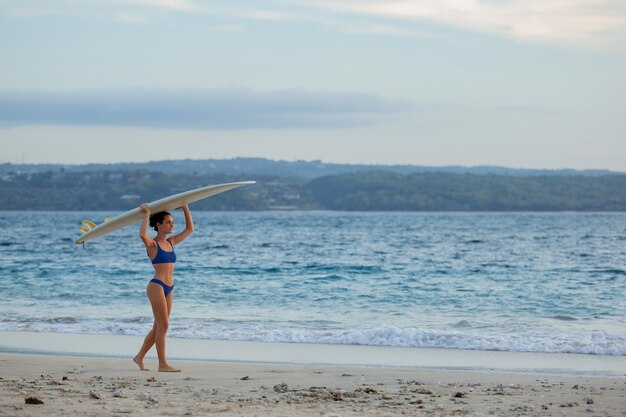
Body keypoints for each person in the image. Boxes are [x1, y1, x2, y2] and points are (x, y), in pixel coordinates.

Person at [133, 203, 194, 372]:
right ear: (159, 225)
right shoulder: (152, 244)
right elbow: (142, 234)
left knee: (158, 327)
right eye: (168, 222)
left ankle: (139, 357)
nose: (172, 225)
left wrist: (185, 207)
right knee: (164, 326)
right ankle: (162, 364)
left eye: (172, 222)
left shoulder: (171, 242)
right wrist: (147, 213)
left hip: (169, 286)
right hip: (156, 286)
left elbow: (190, 229)